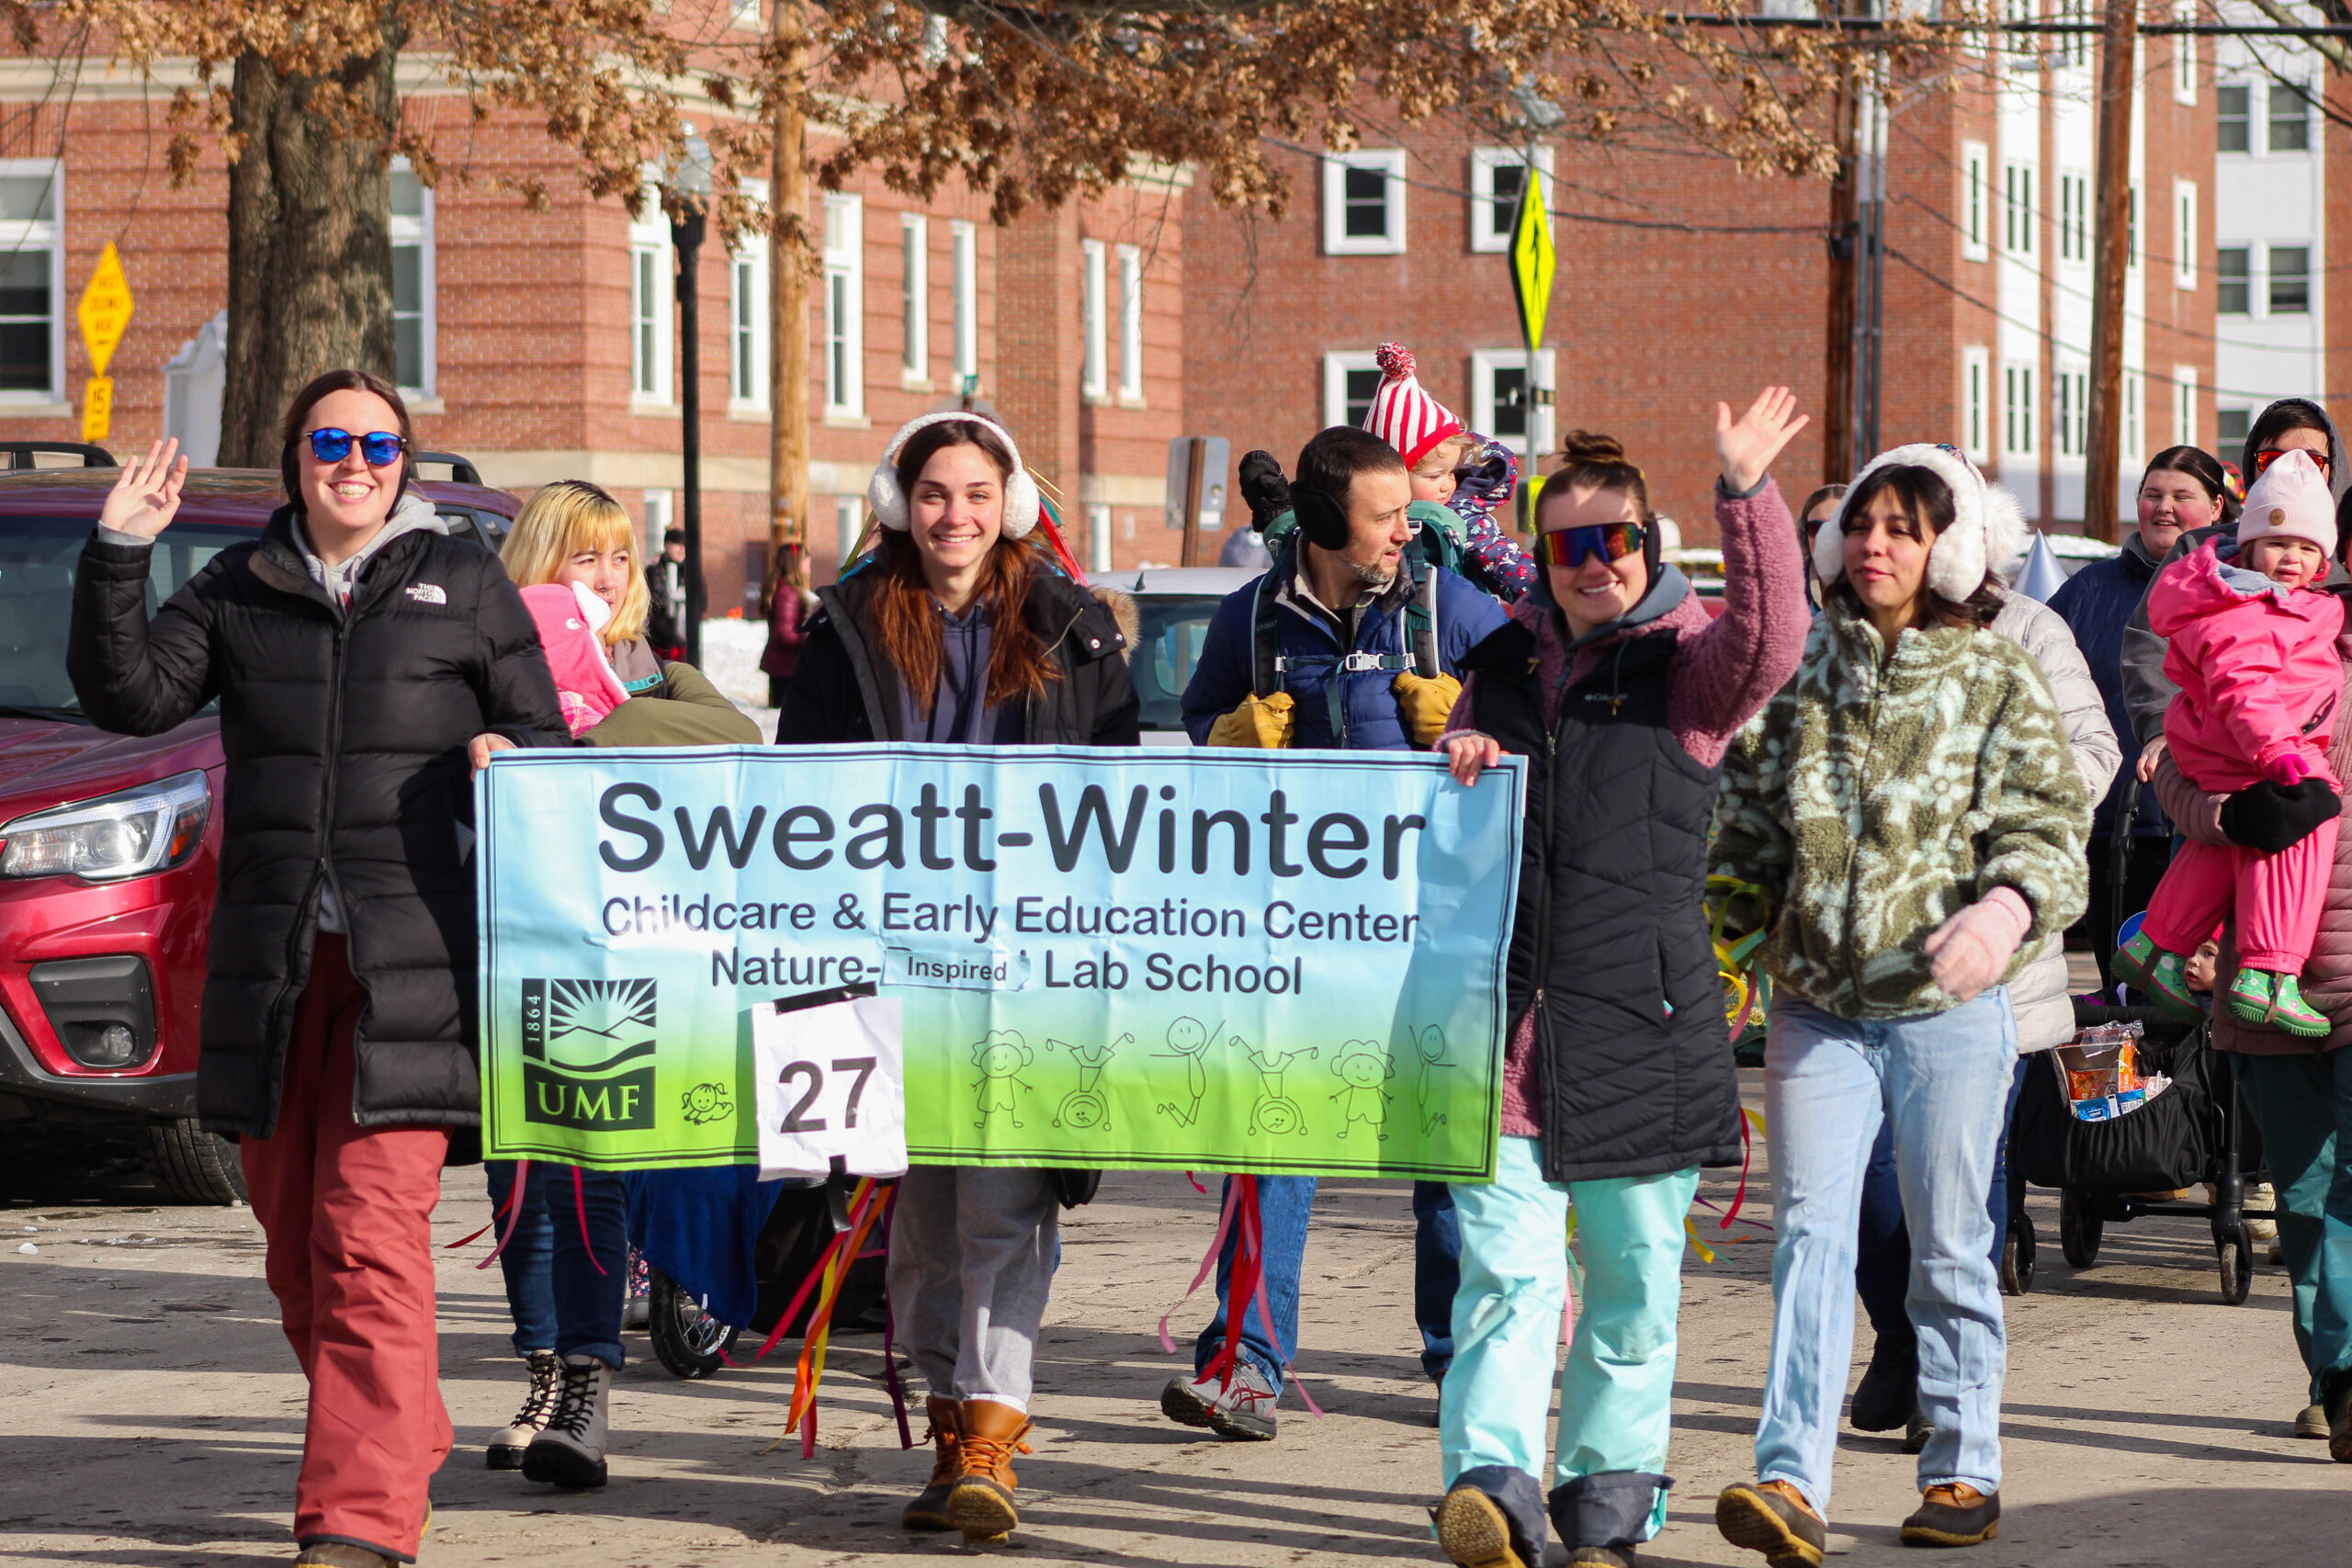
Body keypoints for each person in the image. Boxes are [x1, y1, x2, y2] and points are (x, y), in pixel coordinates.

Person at [67, 371, 567, 1568]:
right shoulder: (243, 585)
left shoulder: (465, 578)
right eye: (331, 440)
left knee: (365, 1236)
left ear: (405, 457)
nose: (355, 460)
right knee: (296, 1248)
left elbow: (548, 741)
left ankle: (358, 1517)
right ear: (297, 459)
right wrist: (118, 554)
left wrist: (510, 751)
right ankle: (403, 1424)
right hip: (276, 970)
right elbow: (129, 696)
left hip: (414, 968)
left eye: (377, 442)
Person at [1426, 390, 1813, 1568]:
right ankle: (1491, 1487)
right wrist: (1454, 753)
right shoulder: (1499, 663)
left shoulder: (1687, 671)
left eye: (1615, 541)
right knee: (1504, 1279)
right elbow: (1443, 815)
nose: (1593, 564)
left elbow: (1770, 639)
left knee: (1633, 1298)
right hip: (1503, 1037)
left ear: (1649, 548)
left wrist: (1746, 494)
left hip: (1643, 1031)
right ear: (1539, 558)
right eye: (1568, 546)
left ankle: (1606, 1502)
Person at [1709, 444, 2090, 1561]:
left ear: (1947, 548)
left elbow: (2047, 823)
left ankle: (1963, 1468)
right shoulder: (1799, 673)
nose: (1876, 544)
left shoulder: (1993, 674)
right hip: (1818, 1008)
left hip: (1948, 1016)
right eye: (1862, 525)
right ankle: (1790, 1482)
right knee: (1809, 1242)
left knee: (1949, 1247)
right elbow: (1742, 832)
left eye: (1905, 528)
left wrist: (2006, 912)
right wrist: (1731, 939)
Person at [777, 412, 1139, 1544]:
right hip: (886, 964)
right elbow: (794, 802)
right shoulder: (843, 631)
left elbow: (1119, 806)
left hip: (1024, 969)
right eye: (935, 494)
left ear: (1011, 504)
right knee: (921, 1223)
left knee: (1000, 1205)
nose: (955, 516)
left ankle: (994, 1436)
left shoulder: (1075, 630)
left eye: (976, 494)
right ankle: (944, 1436)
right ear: (899, 503)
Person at [1170, 424, 1508, 1440]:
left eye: (1410, 509)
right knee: (1271, 1141)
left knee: (1447, 1159)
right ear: (1323, 526)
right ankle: (1248, 1365)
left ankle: (1462, 1366)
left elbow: (1535, 715)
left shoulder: (1446, 609)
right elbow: (1195, 729)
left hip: (1435, 939)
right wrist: (1231, 738)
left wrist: (1466, 723)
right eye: (1386, 516)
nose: (1410, 529)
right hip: (1299, 943)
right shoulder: (1253, 619)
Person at [478, 480, 758, 1488]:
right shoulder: (483, 659)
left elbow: (740, 746)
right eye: (579, 559)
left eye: (616, 560)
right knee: (516, 1175)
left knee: (587, 1170)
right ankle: (544, 1369)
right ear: (536, 565)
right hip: (514, 943)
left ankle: (587, 1378)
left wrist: (586, 730)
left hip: (626, 956)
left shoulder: (660, 672)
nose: (601, 580)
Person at [1846, 498, 2120, 1447]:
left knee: (1960, 1177)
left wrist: (1998, 809)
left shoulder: (2028, 629)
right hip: (1861, 960)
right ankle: (1900, 1334)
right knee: (1869, 1180)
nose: (1888, 547)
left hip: (1991, 953)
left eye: (1920, 528)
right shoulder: (1844, 632)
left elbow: (2092, 752)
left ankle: (1942, 1385)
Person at [2153, 512, 2352, 1444]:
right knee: (2306, 1196)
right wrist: (2229, 820)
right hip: (2271, 980)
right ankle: (2336, 1374)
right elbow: (2175, 774)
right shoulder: (2276, 637)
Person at [2115, 450, 2344, 1034]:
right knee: (2299, 825)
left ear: (2324, 558)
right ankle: (2269, 973)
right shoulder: (2251, 605)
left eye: (2305, 548)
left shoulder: (2276, 602)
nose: (2290, 559)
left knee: (2221, 847)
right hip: (2248, 746)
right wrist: (2282, 754)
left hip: (2229, 746)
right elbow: (2245, 689)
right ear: (2245, 546)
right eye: (2276, 544)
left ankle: (2156, 943)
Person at [2049, 448, 2235, 987]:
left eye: (2182, 497)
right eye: (2152, 495)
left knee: (2197, 993)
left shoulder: (2241, 590)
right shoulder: (2087, 592)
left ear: (2218, 506)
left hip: (2205, 827)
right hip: (2114, 827)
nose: (2164, 508)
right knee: (2124, 995)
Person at [2120, 398, 2347, 751]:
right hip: (2215, 760)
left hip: (2323, 765)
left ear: (2334, 470)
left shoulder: (2346, 562)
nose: (2288, 470)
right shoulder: (2201, 555)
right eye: (2271, 458)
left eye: (2310, 460)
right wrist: (2161, 729)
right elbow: (2149, 644)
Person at [1360, 340, 1533, 601]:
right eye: (1433, 476)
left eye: (1451, 472)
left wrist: (1548, 595)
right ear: (1392, 478)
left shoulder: (1461, 517)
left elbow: (1506, 565)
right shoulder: (1360, 517)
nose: (1447, 484)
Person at [760, 545, 814, 708]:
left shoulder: (786, 589)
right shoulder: (788, 593)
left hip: (783, 666)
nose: (809, 563)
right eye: (806, 559)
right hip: (786, 667)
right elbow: (784, 632)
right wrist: (809, 638)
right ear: (796, 562)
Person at [646, 524, 689, 660]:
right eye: (677, 544)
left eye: (684, 544)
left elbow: (701, 601)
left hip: (684, 638)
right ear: (667, 545)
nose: (682, 549)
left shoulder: (690, 572)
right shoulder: (653, 571)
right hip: (659, 638)